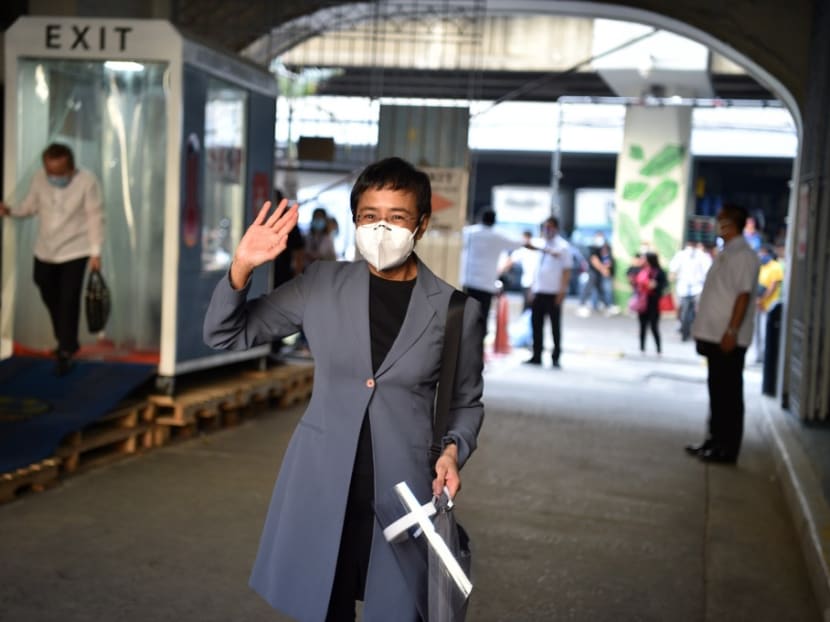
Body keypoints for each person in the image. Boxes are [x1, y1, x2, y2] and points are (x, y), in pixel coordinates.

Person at [203, 156, 485, 621]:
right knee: (323, 604)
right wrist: (241, 267)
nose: (381, 229)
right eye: (370, 216)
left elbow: (465, 402)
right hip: (320, 484)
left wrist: (453, 451)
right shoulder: (320, 284)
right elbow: (226, 334)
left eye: (397, 217)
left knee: (395, 608)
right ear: (355, 219)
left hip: (405, 492)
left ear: (422, 224)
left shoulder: (455, 311)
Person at [0, 142, 104, 375]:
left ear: (70, 168)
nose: (53, 177)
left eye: (58, 172)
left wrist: (95, 252)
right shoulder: (39, 178)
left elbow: (94, 216)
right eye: (49, 171)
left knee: (68, 298)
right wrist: (11, 211)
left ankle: (66, 349)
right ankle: (66, 338)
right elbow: (30, 206)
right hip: (45, 249)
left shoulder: (87, 181)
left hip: (75, 249)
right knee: (44, 285)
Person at [685, 203, 760, 465]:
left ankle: (727, 448)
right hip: (714, 335)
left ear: (732, 223)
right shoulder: (727, 252)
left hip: (728, 338)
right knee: (717, 392)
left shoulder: (744, 256)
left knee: (728, 395)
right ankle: (713, 440)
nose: (717, 225)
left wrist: (731, 330)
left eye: (721, 220)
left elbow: (743, 296)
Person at [459, 208, 524, 329]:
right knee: (481, 320)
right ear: (494, 221)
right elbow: (519, 243)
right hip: (486, 285)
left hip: (468, 282)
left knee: (465, 318)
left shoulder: (469, 232)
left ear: (480, 219)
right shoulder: (497, 236)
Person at [524, 216, 571, 369]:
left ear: (556, 228)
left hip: (554, 292)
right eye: (545, 227)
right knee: (536, 324)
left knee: (555, 326)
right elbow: (536, 269)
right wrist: (532, 289)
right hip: (539, 291)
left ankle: (556, 357)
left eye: (550, 227)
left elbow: (566, 271)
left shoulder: (563, 246)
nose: (547, 230)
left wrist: (562, 292)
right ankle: (537, 355)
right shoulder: (541, 244)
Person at [668, 241, 712, 341]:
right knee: (686, 308)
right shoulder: (700, 256)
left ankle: (692, 327)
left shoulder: (699, 256)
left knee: (694, 309)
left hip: (695, 288)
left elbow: (673, 271)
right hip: (687, 288)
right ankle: (687, 327)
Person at [753, 243, 784, 364]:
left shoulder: (776, 267)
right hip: (757, 304)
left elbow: (772, 286)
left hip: (769, 305)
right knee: (757, 332)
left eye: (763, 252)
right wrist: (757, 300)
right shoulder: (760, 266)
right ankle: (758, 356)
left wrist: (762, 300)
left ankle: (766, 356)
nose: (761, 255)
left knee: (765, 332)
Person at [634, 252, 668, 355]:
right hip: (642, 302)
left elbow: (663, 286)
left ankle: (658, 349)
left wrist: (655, 286)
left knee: (654, 326)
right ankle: (642, 348)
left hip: (653, 302)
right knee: (642, 326)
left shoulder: (659, 272)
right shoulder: (641, 270)